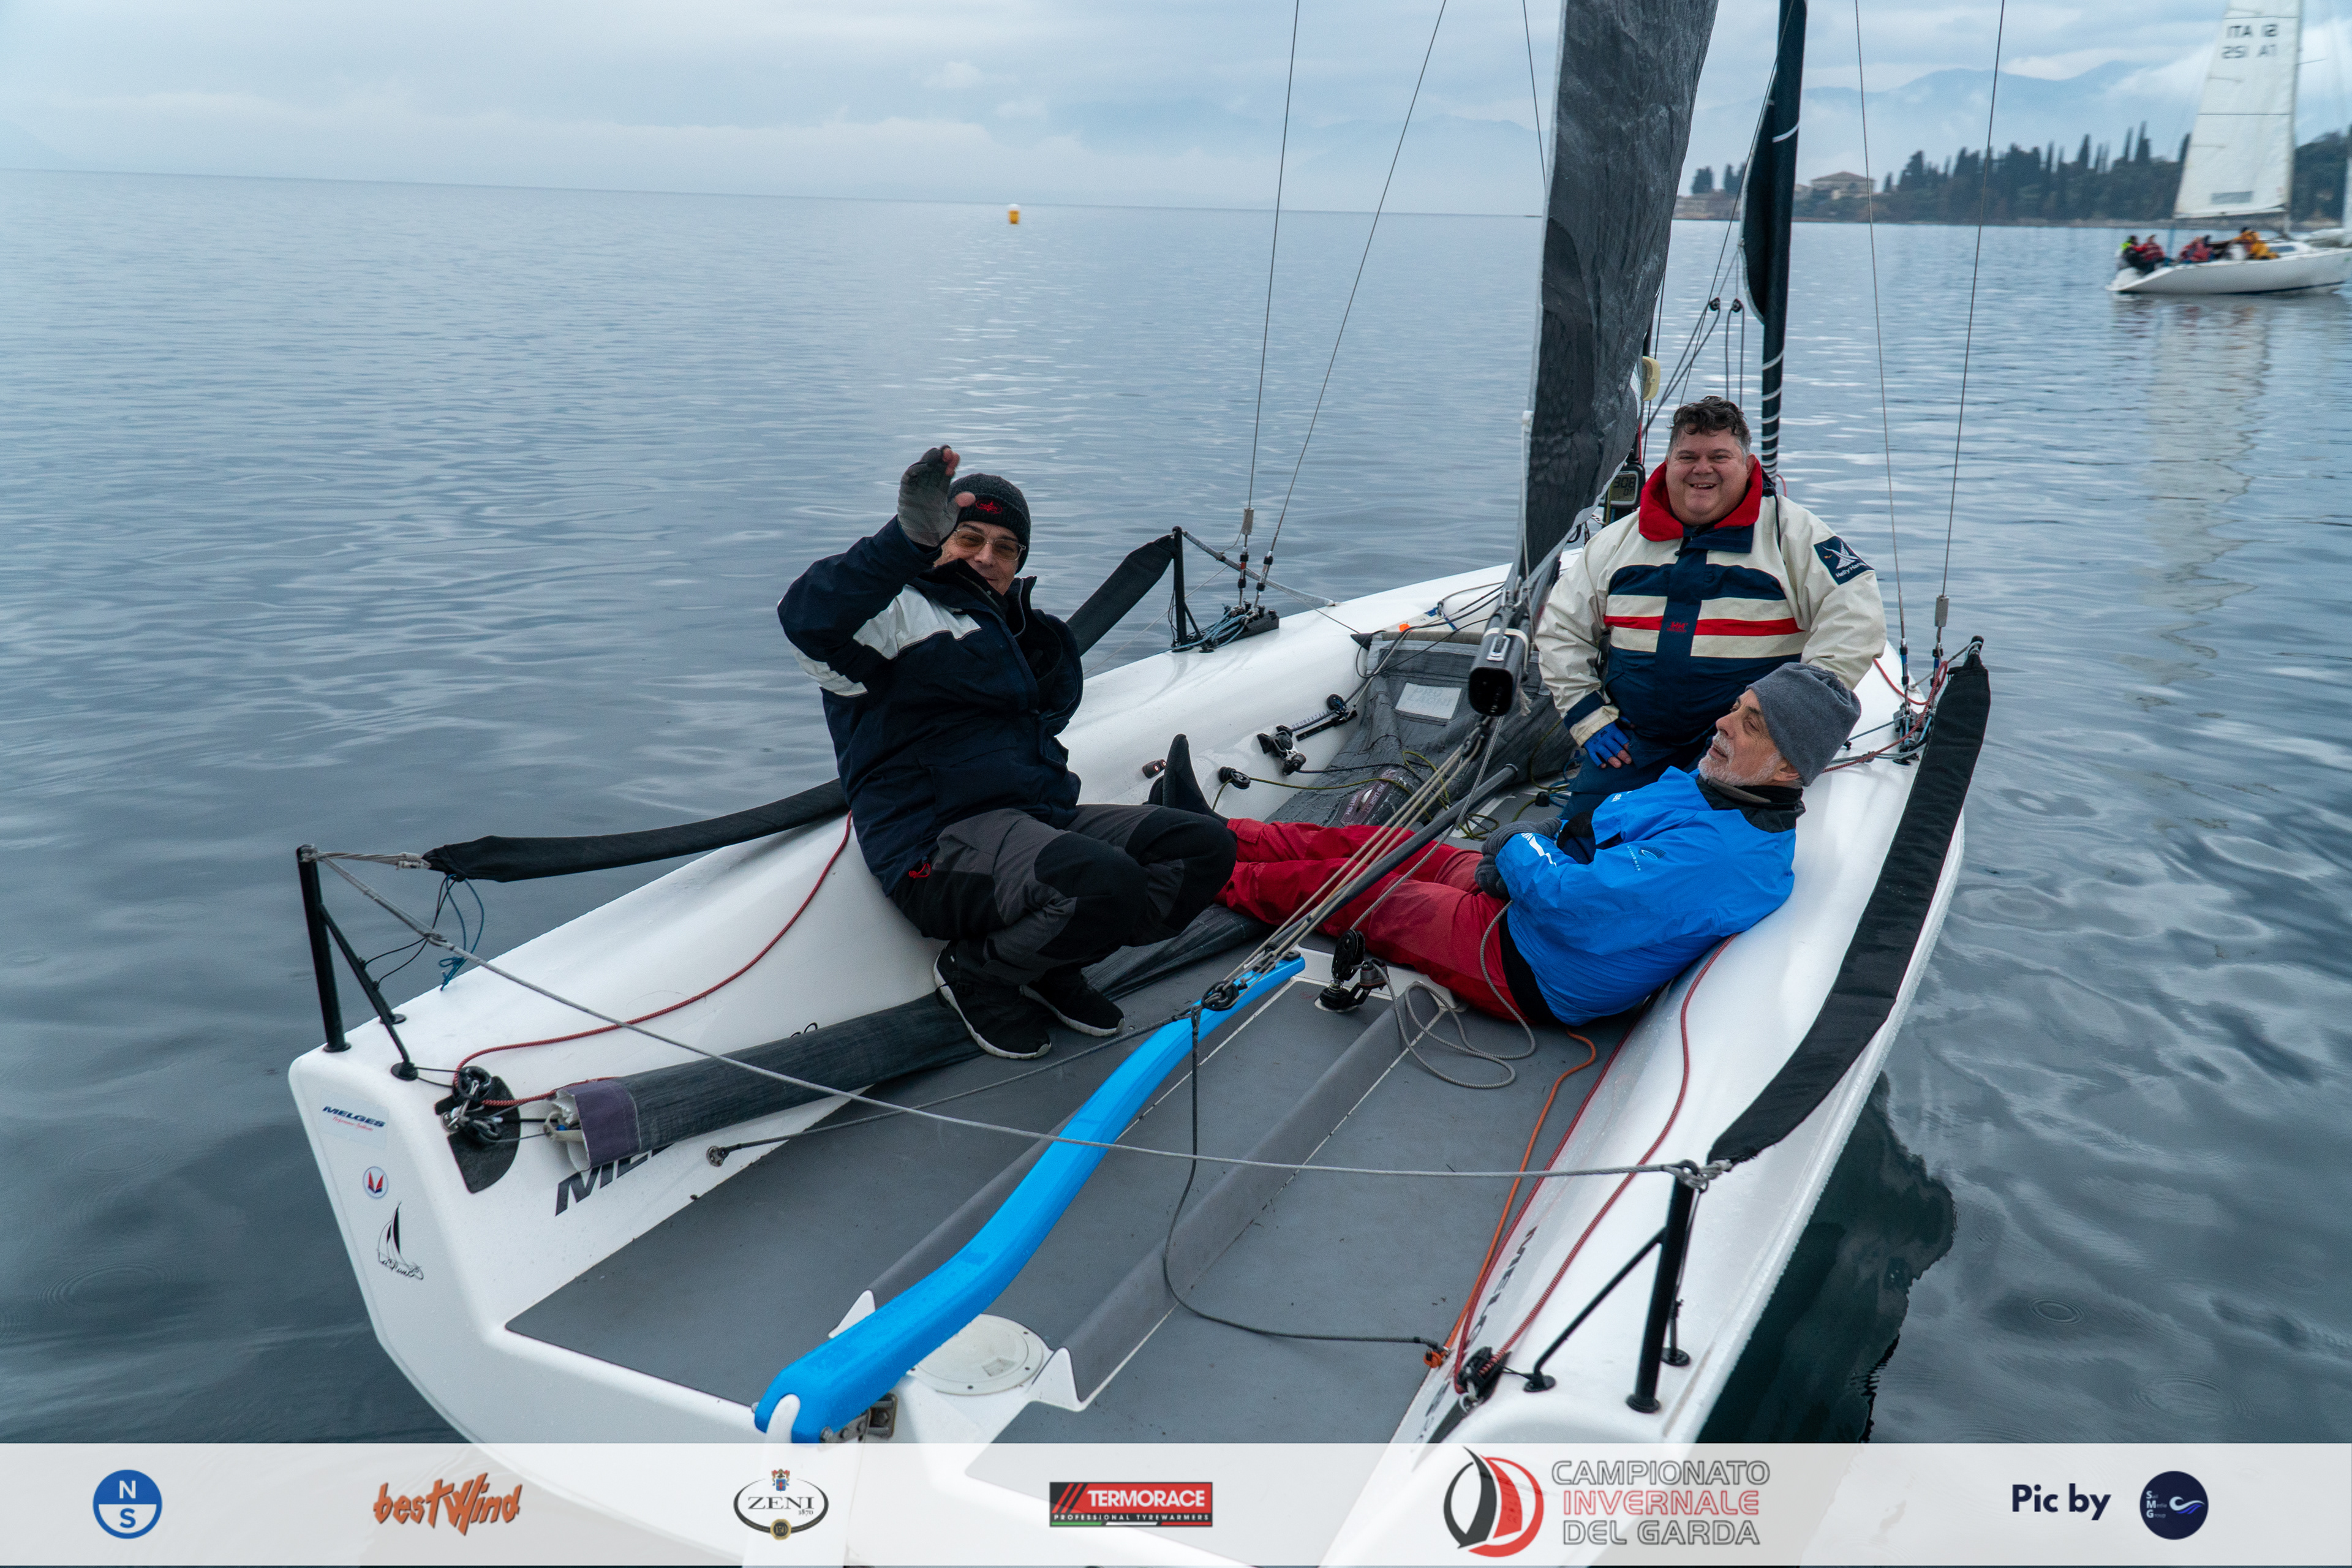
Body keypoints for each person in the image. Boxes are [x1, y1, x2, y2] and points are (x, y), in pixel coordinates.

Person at [779, 445, 1236, 1060]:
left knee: (1202, 849)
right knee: (1103, 882)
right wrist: (903, 541)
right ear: (940, 537)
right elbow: (808, 617)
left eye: (1006, 547)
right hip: (937, 848)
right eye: (970, 538)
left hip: (1033, 822)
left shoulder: (1013, 626)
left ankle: (1050, 961)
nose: (987, 557)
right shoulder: (888, 614)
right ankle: (978, 973)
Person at [1211, 665, 1861, 1025]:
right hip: (1534, 899)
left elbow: (1577, 904)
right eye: (1737, 707)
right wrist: (1543, 837)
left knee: (1363, 891)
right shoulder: (1727, 786)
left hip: (1534, 966)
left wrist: (1520, 847)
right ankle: (1215, 832)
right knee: (1378, 841)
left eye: (1750, 724)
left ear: (1787, 769)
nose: (1722, 723)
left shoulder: (1727, 860)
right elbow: (1613, 823)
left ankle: (1204, 870)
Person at [1531, 394, 1885, 823]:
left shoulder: (1795, 536)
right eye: (1688, 456)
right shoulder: (1614, 544)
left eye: (1720, 456)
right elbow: (1560, 631)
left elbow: (1856, 617)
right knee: (1582, 841)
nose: (1702, 469)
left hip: (1741, 753)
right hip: (1633, 746)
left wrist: (1795, 716)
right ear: (1668, 464)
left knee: (1704, 857)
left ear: (1749, 466)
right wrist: (1588, 718)